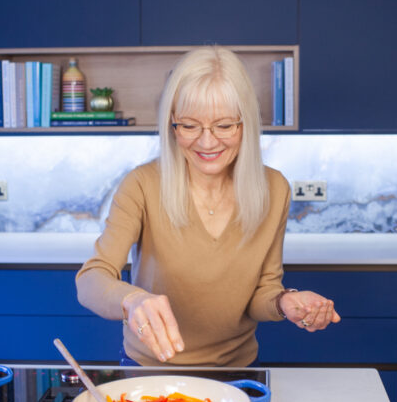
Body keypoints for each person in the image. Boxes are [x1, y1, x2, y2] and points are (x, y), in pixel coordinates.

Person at [76, 46, 340, 366]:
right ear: (172, 123)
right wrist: (133, 300)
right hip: (150, 370)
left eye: (224, 126)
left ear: (246, 124)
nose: (207, 142)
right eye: (189, 126)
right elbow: (91, 279)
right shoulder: (142, 184)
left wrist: (285, 302)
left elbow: (261, 292)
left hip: (237, 372)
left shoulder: (274, 188)